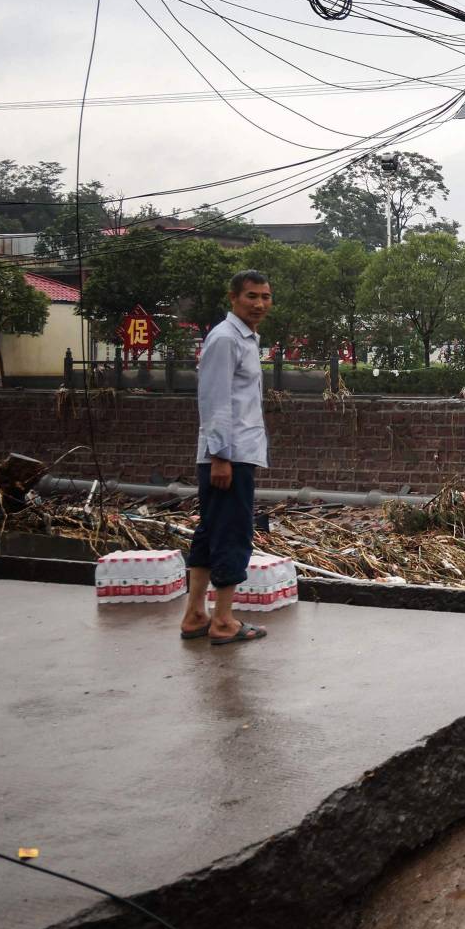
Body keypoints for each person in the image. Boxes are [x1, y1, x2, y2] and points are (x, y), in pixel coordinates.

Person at [181, 270, 273, 647]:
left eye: (266, 297)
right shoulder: (224, 339)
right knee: (232, 533)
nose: (259, 304)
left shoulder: (245, 338)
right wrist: (220, 456)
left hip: (235, 451)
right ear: (234, 297)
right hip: (228, 455)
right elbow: (214, 399)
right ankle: (223, 620)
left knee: (209, 532)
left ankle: (195, 614)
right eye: (252, 296)